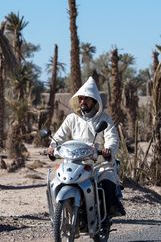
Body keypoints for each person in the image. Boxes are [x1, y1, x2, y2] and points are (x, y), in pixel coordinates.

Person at [47, 76, 126, 217]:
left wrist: (108, 150)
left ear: (94, 100)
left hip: (98, 162)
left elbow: (112, 138)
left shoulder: (104, 118)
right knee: (56, 180)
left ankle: (109, 211)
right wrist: (52, 147)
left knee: (107, 180)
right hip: (75, 162)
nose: (82, 101)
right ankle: (59, 213)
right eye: (81, 98)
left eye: (86, 98)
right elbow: (59, 136)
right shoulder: (72, 118)